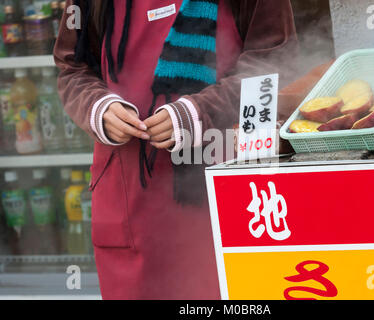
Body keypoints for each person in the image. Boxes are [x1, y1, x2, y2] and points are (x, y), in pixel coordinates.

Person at [54, 0, 301, 299]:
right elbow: (72, 65)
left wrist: (199, 113)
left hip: (225, 194)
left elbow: (275, 60)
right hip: (129, 201)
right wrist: (98, 108)